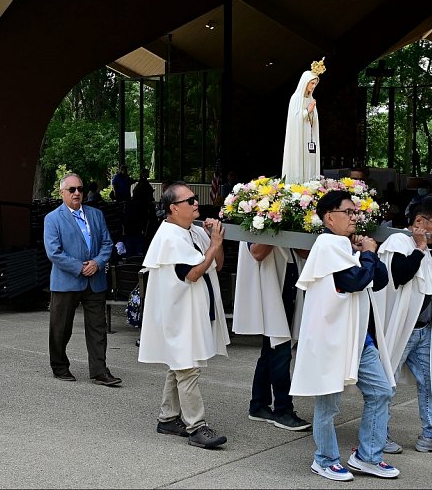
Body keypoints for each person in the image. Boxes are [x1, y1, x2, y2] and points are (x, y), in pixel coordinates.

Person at [291, 189, 397, 482]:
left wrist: (367, 255)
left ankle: (367, 456)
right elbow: (354, 281)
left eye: (355, 212)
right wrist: (367, 254)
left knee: (382, 391)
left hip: (357, 337)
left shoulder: (345, 246)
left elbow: (380, 280)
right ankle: (324, 459)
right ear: (329, 218)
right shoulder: (327, 244)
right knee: (329, 405)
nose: (354, 217)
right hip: (331, 338)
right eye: (348, 212)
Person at [138, 182, 230, 449]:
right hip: (177, 314)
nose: (196, 203)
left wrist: (215, 241)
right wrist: (214, 243)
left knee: (178, 366)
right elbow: (191, 274)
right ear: (173, 208)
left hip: (189, 312)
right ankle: (197, 427)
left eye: (195, 199)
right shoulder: (169, 237)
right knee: (187, 368)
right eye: (189, 201)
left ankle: (167, 418)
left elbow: (218, 264)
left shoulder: (193, 231)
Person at [376, 200, 432, 455]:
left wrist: (422, 247)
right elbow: (399, 275)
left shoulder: (421, 248)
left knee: (430, 382)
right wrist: (420, 247)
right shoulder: (397, 243)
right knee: (386, 383)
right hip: (402, 327)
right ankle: (379, 436)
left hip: (422, 328)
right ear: (418, 223)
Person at [44, 173, 120, 386]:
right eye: (72, 190)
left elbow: (107, 243)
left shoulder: (96, 214)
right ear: (62, 193)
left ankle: (99, 371)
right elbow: (54, 252)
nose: (77, 193)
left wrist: (96, 262)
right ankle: (59, 366)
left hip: (95, 280)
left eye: (80, 189)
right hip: (66, 281)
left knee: (97, 327)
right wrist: (79, 267)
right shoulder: (52, 219)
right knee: (61, 327)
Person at [232, 242, 312, 431]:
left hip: (290, 279)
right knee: (281, 351)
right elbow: (257, 252)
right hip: (273, 287)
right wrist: (276, 222)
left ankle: (259, 405)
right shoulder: (259, 215)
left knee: (271, 350)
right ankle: (283, 410)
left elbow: (303, 251)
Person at [281, 58, 325, 183]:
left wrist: (312, 112)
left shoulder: (311, 99)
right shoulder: (295, 98)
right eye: (311, 83)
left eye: (315, 84)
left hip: (308, 137)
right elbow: (294, 120)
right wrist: (308, 111)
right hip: (298, 139)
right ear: (304, 83)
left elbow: (313, 122)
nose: (313, 86)